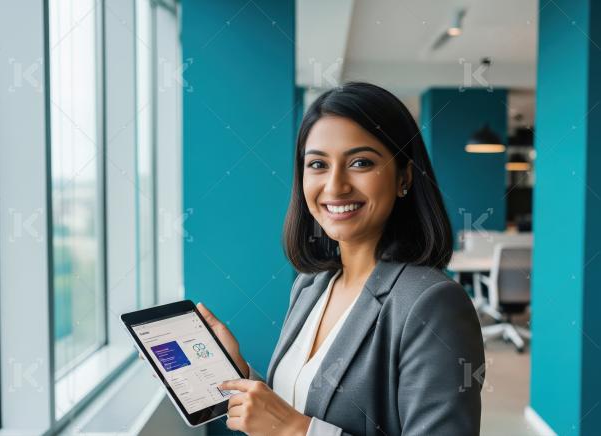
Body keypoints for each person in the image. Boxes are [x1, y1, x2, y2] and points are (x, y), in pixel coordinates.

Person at [198, 82, 485, 435]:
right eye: (318, 164)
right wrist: (236, 372)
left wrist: (297, 431)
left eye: (361, 162)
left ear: (404, 177)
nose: (335, 186)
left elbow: (294, 426)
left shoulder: (432, 303)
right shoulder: (310, 285)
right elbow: (295, 408)